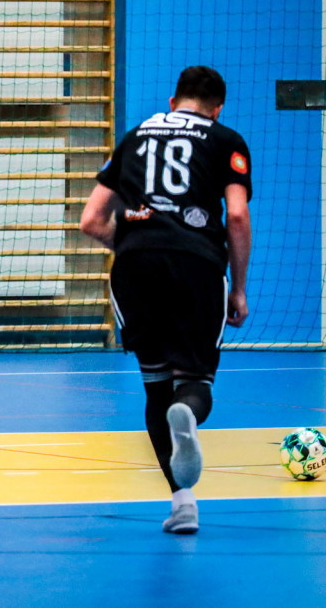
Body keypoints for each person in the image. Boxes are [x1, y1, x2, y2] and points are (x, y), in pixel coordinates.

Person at [79, 66, 252, 535]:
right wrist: (237, 287)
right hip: (196, 265)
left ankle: (182, 504)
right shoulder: (225, 139)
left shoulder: (136, 136)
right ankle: (188, 413)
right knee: (192, 384)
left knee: (155, 385)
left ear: (173, 101)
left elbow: (91, 220)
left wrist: (139, 246)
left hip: (134, 267)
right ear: (217, 108)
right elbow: (235, 215)